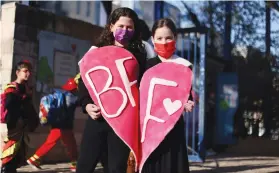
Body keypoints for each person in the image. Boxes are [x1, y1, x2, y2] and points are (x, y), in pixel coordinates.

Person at [76, 7, 147, 173]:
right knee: (85, 166)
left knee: (116, 168)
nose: (124, 31)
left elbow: (143, 87)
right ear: (111, 26)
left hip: (124, 124)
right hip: (98, 118)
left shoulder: (139, 56)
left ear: (135, 30)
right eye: (120, 26)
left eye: (129, 27)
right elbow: (83, 82)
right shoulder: (95, 53)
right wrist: (86, 105)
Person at [141, 18, 194, 173]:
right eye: (159, 38)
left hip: (173, 127)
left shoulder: (184, 65)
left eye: (168, 38)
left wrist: (188, 102)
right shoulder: (147, 66)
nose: (164, 42)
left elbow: (187, 93)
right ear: (152, 39)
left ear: (175, 38)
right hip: (150, 129)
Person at [26, 77, 79, 172]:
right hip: (64, 126)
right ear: (75, 89)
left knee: (53, 143)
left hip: (57, 123)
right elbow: (80, 102)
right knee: (70, 145)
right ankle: (74, 164)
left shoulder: (60, 94)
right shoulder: (72, 97)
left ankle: (34, 159)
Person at [1, 61, 38, 173]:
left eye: (29, 71)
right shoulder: (11, 87)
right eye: (25, 71)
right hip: (13, 125)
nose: (28, 74)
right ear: (18, 72)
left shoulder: (27, 89)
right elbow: (10, 105)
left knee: (19, 154)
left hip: (23, 126)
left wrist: (33, 120)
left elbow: (29, 107)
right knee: (10, 152)